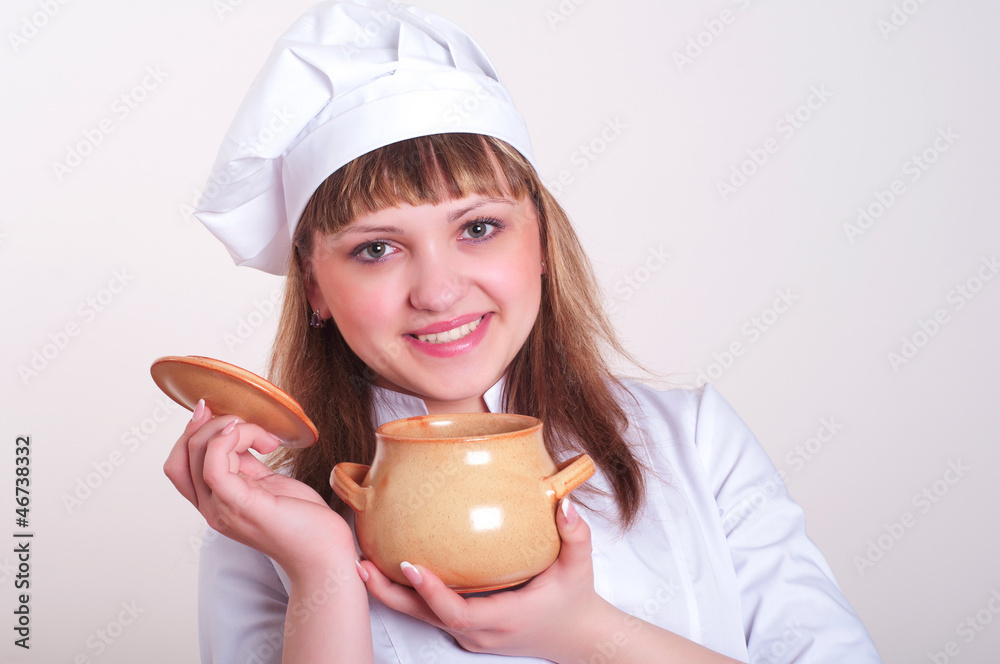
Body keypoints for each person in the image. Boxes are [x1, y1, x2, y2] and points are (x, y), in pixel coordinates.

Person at [164, 2, 883, 662]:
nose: (439, 291)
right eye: (376, 249)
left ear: (541, 243)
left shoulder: (692, 444)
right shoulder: (265, 527)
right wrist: (322, 568)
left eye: (479, 228)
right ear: (315, 284)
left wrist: (587, 633)